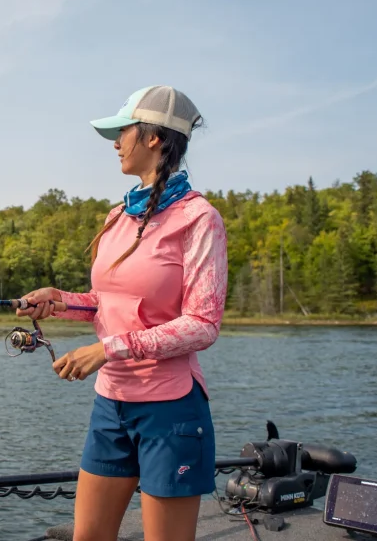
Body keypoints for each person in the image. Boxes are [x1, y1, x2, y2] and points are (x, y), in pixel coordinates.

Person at [17, 85, 228, 541]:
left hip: (170, 409)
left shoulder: (199, 218)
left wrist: (108, 349)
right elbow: (105, 302)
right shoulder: (117, 217)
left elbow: (203, 324)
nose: (115, 143)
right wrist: (58, 300)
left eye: (123, 131)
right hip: (111, 405)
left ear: (153, 137)